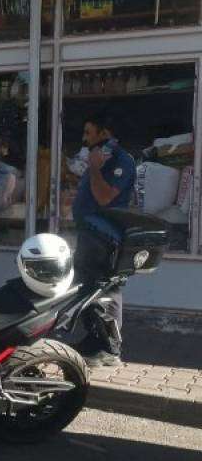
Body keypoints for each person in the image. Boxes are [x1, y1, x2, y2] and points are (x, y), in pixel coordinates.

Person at [72, 114, 135, 368]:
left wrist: (96, 168)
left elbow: (105, 198)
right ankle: (94, 339)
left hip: (105, 237)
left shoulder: (120, 160)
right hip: (90, 233)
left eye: (89, 133)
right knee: (87, 288)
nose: (84, 139)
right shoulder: (99, 160)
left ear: (104, 134)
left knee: (106, 289)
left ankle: (110, 348)